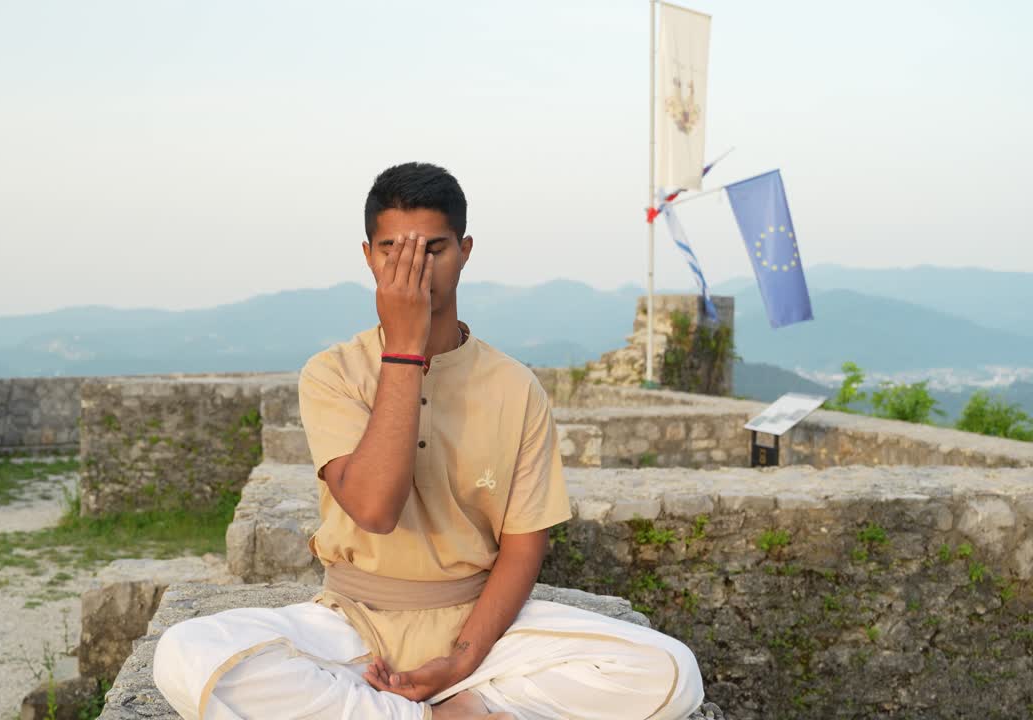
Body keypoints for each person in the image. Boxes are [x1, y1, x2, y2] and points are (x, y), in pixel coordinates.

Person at [153, 162, 705, 719]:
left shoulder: (515, 386)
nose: (412, 269)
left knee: (671, 672)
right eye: (392, 249)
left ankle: (436, 704)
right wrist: (404, 348)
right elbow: (374, 508)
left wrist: (463, 660)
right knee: (186, 653)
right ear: (368, 256)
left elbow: (522, 544)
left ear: (465, 252)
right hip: (351, 625)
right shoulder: (334, 373)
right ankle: (434, 715)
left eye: (433, 249)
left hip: (474, 626)